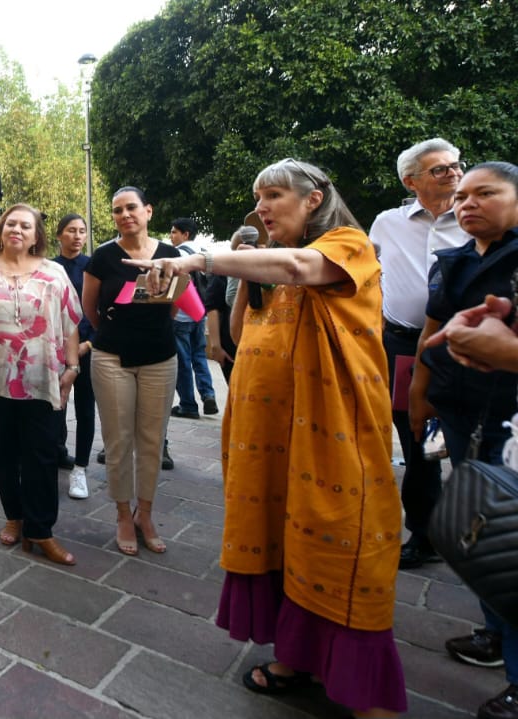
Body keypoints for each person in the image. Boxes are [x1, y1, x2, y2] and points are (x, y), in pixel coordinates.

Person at [131, 159, 404, 717]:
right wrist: (245, 274)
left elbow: (301, 267)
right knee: (283, 542)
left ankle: (365, 692)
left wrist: (199, 259)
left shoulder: (346, 246)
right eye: (258, 197)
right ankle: (296, 657)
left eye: (274, 194)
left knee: (336, 545)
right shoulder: (272, 264)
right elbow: (237, 335)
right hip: (271, 440)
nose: (261, 207)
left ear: (314, 198)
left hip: (333, 438)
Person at [407, 162, 518, 719]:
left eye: (484, 193)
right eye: (463, 196)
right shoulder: (451, 262)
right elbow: (431, 331)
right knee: (483, 523)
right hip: (461, 411)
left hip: (510, 420)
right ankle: (495, 630)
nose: (466, 203)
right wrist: (419, 391)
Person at [0, 203, 81, 566]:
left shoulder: (54, 272)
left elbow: (70, 322)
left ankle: (41, 530)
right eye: (11, 223)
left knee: (43, 453)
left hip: (42, 378)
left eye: (25, 225)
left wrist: (72, 367)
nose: (17, 230)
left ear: (37, 234)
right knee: (1, 452)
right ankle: (14, 515)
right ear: (1, 228)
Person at [368, 138, 471, 570]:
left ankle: (479, 532)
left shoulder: (476, 217)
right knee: (418, 442)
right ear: (410, 181)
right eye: (439, 169)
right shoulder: (387, 223)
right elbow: (368, 274)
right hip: (404, 346)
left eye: (456, 165)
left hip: (468, 347)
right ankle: (425, 535)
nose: (453, 172)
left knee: (471, 440)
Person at [82, 187, 179, 557]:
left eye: (131, 207)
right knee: (118, 441)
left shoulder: (171, 255)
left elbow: (173, 307)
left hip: (160, 357)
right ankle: (123, 514)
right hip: (111, 358)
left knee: (152, 441)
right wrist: (112, 333)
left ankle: (146, 514)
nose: (124, 215)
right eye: (117, 210)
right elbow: (89, 308)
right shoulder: (103, 257)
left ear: (148, 210)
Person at [51, 213, 97, 498]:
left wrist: (88, 344)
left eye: (82, 231)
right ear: (59, 235)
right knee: (54, 405)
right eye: (71, 230)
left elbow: (101, 310)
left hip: (87, 348)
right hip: (55, 349)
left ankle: (81, 467)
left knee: (85, 409)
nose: (78, 236)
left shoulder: (93, 266)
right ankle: (56, 452)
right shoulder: (48, 267)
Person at [168, 217, 218, 418]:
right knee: (199, 357)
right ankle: (208, 394)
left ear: (185, 234)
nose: (171, 236)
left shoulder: (179, 254)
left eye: (174, 232)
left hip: (180, 316)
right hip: (199, 313)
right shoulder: (204, 252)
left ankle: (188, 405)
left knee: (183, 362)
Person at [204, 225, 259, 381]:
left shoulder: (267, 270)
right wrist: (216, 346)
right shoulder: (224, 270)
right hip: (231, 344)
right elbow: (213, 307)